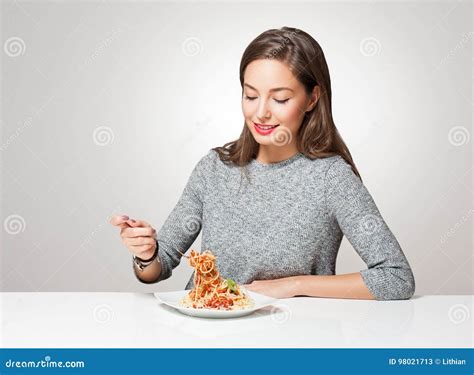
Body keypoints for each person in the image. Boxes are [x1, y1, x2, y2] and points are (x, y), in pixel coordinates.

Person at [110, 26, 415, 300]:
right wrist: (146, 253)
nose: (261, 113)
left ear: (311, 100)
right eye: (250, 95)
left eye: (280, 99)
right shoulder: (214, 168)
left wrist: (294, 285)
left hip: (293, 343)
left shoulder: (331, 177)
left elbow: (396, 277)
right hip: (208, 337)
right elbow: (159, 266)